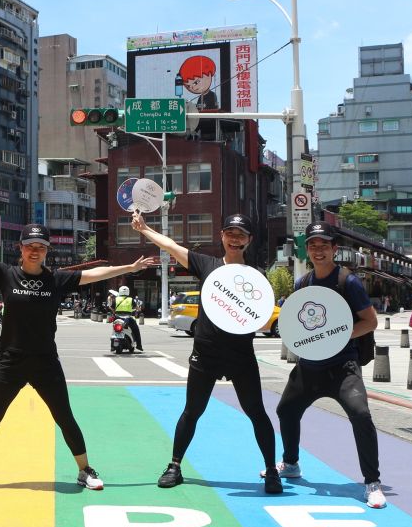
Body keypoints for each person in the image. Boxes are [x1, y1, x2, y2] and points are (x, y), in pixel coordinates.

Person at [0, 220, 157, 491]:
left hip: (45, 362)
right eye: (30, 246)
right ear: (20, 248)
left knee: (65, 417)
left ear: (46, 251)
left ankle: (84, 470)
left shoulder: (57, 279)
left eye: (40, 247)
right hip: (11, 361)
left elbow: (95, 274)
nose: (34, 251)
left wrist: (129, 268)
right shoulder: (6, 274)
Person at [132, 211, 281, 492]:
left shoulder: (256, 276)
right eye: (230, 233)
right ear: (222, 236)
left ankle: (272, 471)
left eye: (241, 235)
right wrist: (143, 229)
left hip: (241, 355)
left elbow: (260, 317)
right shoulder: (207, 264)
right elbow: (171, 246)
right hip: (206, 353)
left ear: (249, 240)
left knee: (257, 412)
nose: (235, 239)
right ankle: (174, 466)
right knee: (192, 410)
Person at [271, 221, 387, 508]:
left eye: (324, 245)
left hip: (342, 367)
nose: (318, 250)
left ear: (334, 249)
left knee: (361, 415)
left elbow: (370, 322)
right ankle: (291, 463)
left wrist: (337, 336)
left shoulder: (348, 282)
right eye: (313, 245)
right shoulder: (303, 283)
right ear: (306, 250)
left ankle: (372, 482)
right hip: (309, 367)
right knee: (286, 410)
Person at [110, 285, 143, 352]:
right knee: (136, 330)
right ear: (128, 292)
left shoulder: (116, 299)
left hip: (117, 317)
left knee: (114, 329)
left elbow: (111, 307)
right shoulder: (130, 299)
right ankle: (139, 345)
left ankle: (112, 346)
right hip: (127, 318)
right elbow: (137, 308)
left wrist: (114, 312)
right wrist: (139, 310)